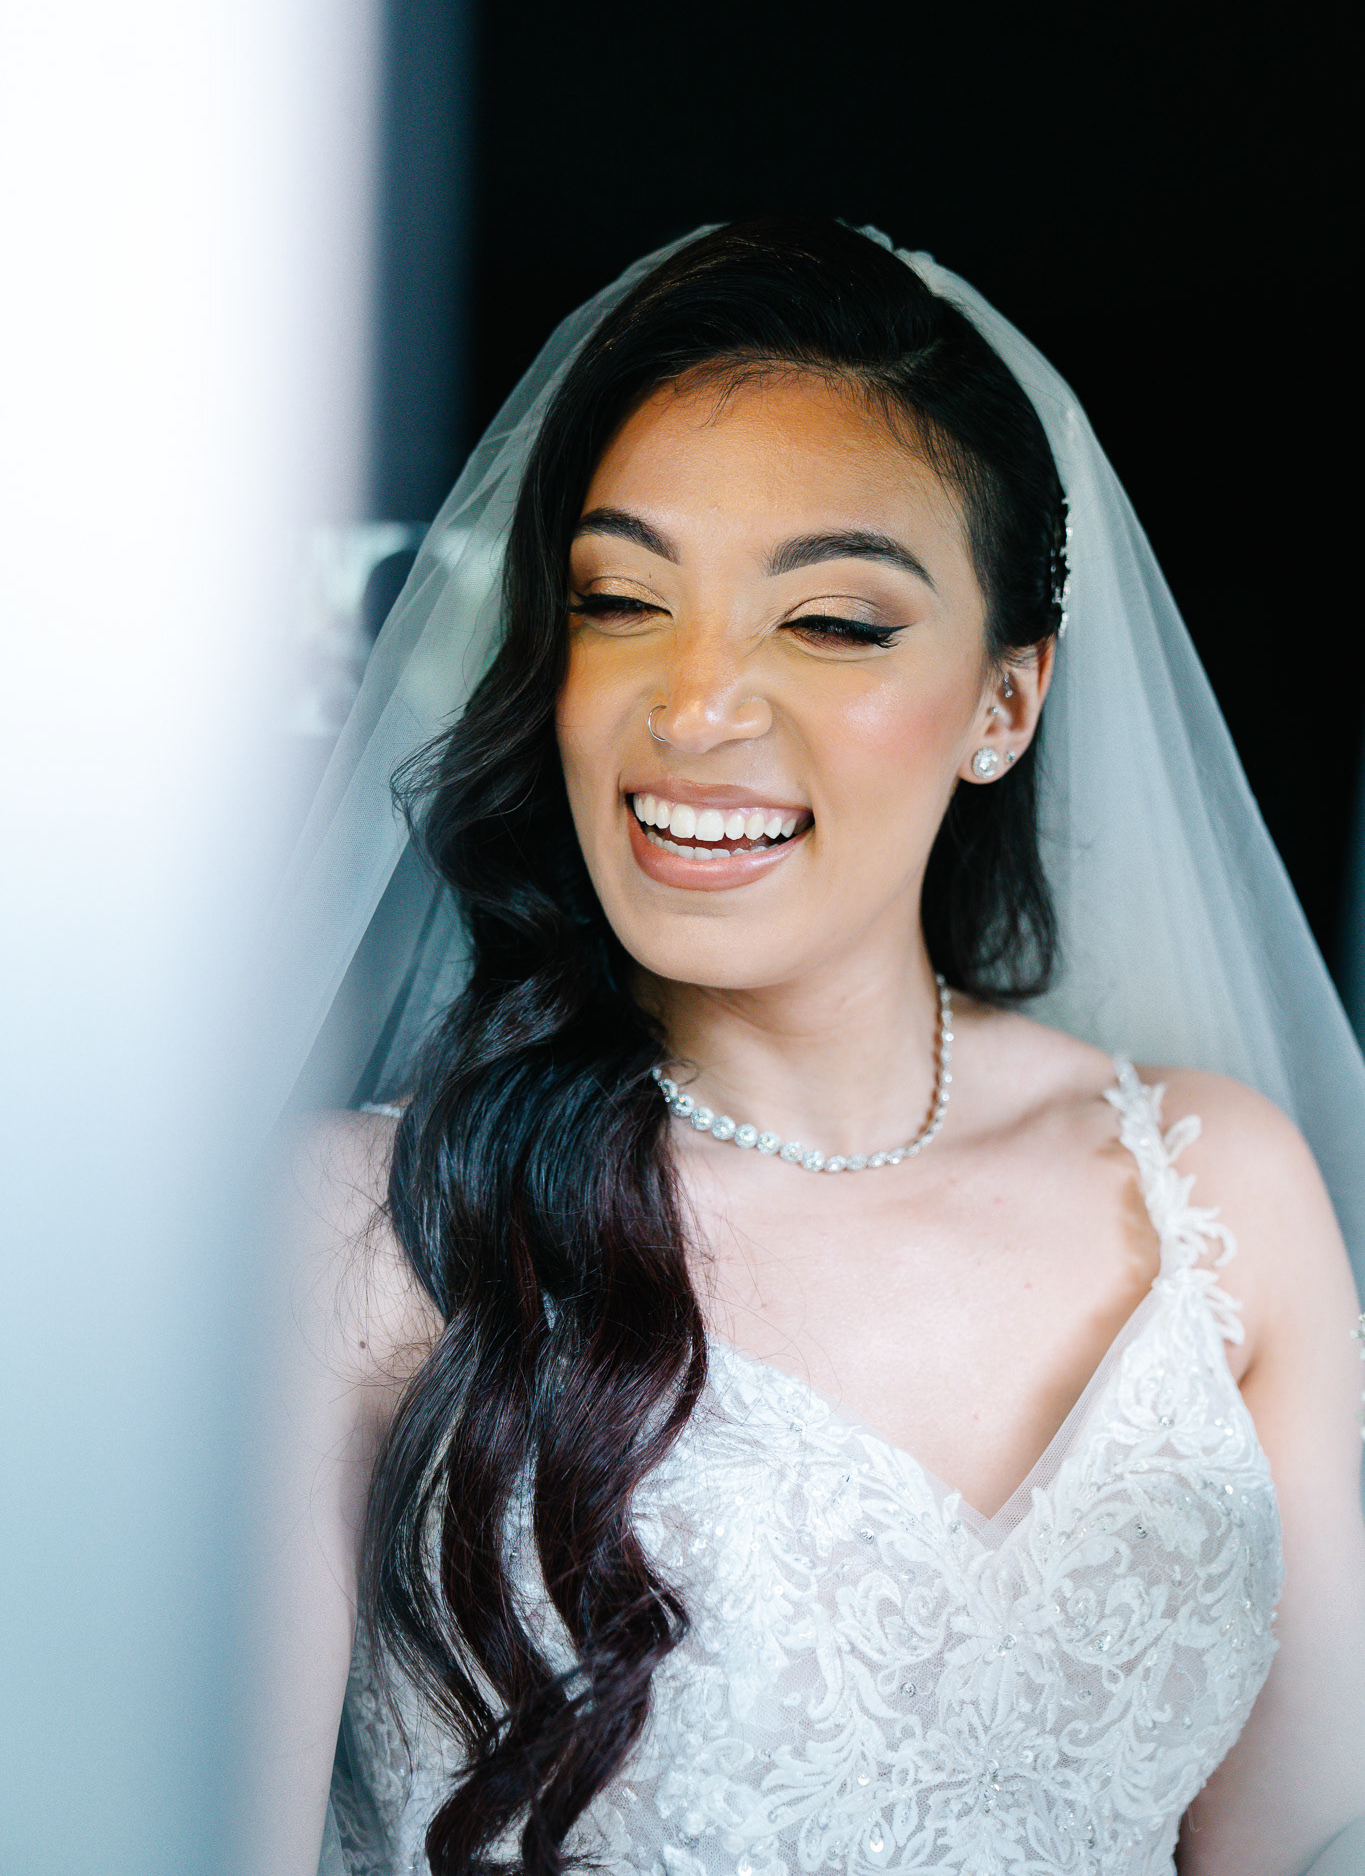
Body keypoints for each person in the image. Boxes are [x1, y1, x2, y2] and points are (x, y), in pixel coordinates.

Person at [259, 220, 1365, 1876]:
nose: (695, 704)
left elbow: (1294, 1840)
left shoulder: (1219, 1190)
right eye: (621, 602)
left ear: (1004, 701)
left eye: (832, 622)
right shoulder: (367, 1230)